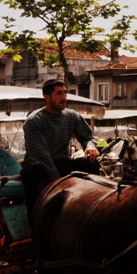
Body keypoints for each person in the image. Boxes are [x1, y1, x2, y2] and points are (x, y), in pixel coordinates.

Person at [21, 79, 100, 219]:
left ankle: (94, 209)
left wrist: (90, 146)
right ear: (47, 97)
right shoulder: (34, 120)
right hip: (39, 165)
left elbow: (87, 136)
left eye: (65, 92)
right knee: (34, 170)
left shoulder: (72, 116)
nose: (64, 97)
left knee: (91, 162)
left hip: (62, 162)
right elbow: (41, 154)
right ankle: (35, 220)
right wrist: (59, 183)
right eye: (59, 93)